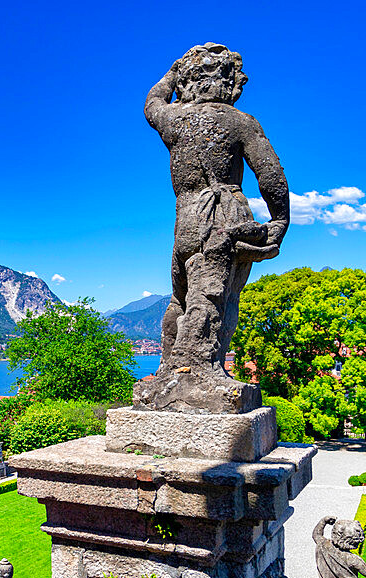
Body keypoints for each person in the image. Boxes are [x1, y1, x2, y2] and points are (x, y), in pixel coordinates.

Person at [139, 43, 289, 412]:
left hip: (186, 220)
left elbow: (152, 102)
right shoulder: (239, 122)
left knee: (181, 298)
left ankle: (167, 370)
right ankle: (201, 371)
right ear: (229, 82)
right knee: (217, 297)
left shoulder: (174, 119)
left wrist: (173, 72)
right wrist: (280, 219)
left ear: (187, 81)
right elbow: (270, 175)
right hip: (225, 216)